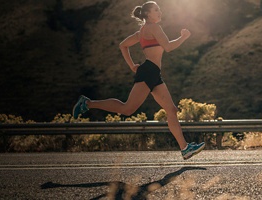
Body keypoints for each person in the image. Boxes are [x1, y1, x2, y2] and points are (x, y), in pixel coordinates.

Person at [72, 1, 205, 160]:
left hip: (153, 72)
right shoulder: (154, 27)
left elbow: (123, 45)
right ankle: (87, 103)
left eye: (159, 9)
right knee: (127, 109)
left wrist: (132, 66)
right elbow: (168, 47)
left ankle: (185, 148)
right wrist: (183, 37)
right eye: (156, 10)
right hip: (148, 71)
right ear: (148, 14)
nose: (159, 12)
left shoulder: (141, 31)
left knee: (172, 110)